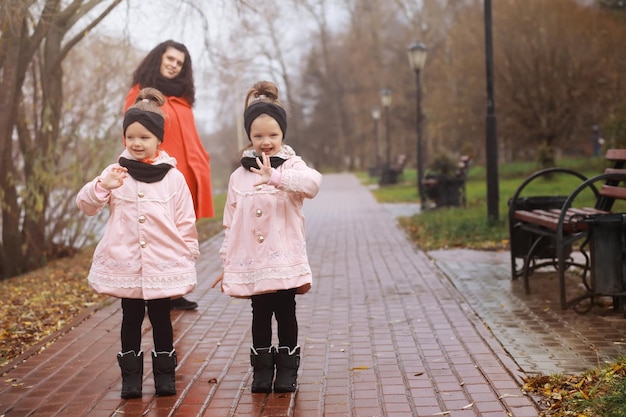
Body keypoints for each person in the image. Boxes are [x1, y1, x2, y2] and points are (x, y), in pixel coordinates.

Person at [76, 87, 199, 399]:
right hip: (127, 262)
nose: (136, 143)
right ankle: (131, 379)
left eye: (144, 137)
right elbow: (86, 206)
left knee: (161, 318)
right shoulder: (116, 172)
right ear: (124, 138)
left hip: (162, 263)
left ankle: (164, 378)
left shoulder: (173, 177)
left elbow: (185, 220)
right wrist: (103, 186)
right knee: (130, 317)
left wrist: (189, 254)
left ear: (158, 139)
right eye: (131, 137)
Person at [218, 80, 322, 393]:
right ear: (250, 136)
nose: (266, 142)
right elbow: (230, 221)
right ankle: (262, 371)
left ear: (283, 135)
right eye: (258, 135)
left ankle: (287, 369)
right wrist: (226, 260)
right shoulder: (240, 174)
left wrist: (276, 177)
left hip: (284, 257)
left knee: (285, 311)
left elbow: (313, 185)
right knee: (260, 313)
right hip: (253, 261)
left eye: (273, 135)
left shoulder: (293, 165)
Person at [124, 40, 213, 311]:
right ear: (158, 59)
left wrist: (203, 163)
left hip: (187, 178)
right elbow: (131, 135)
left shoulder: (183, 100)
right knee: (157, 234)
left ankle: (175, 291)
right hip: (157, 177)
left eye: (180, 62)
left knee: (180, 235)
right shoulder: (139, 94)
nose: (174, 65)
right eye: (170, 59)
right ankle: (152, 290)